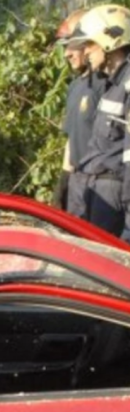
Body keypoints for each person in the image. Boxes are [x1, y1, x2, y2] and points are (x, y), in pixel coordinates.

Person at [66, 4, 130, 239]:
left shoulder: (127, 85)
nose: (85, 51)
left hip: (112, 192)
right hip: (93, 189)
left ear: (108, 42)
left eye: (89, 44)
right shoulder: (110, 86)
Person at [56, 8, 105, 212]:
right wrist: (64, 181)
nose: (67, 53)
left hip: (101, 183)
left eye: (72, 45)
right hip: (77, 182)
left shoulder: (106, 84)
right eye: (65, 46)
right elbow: (72, 139)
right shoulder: (75, 87)